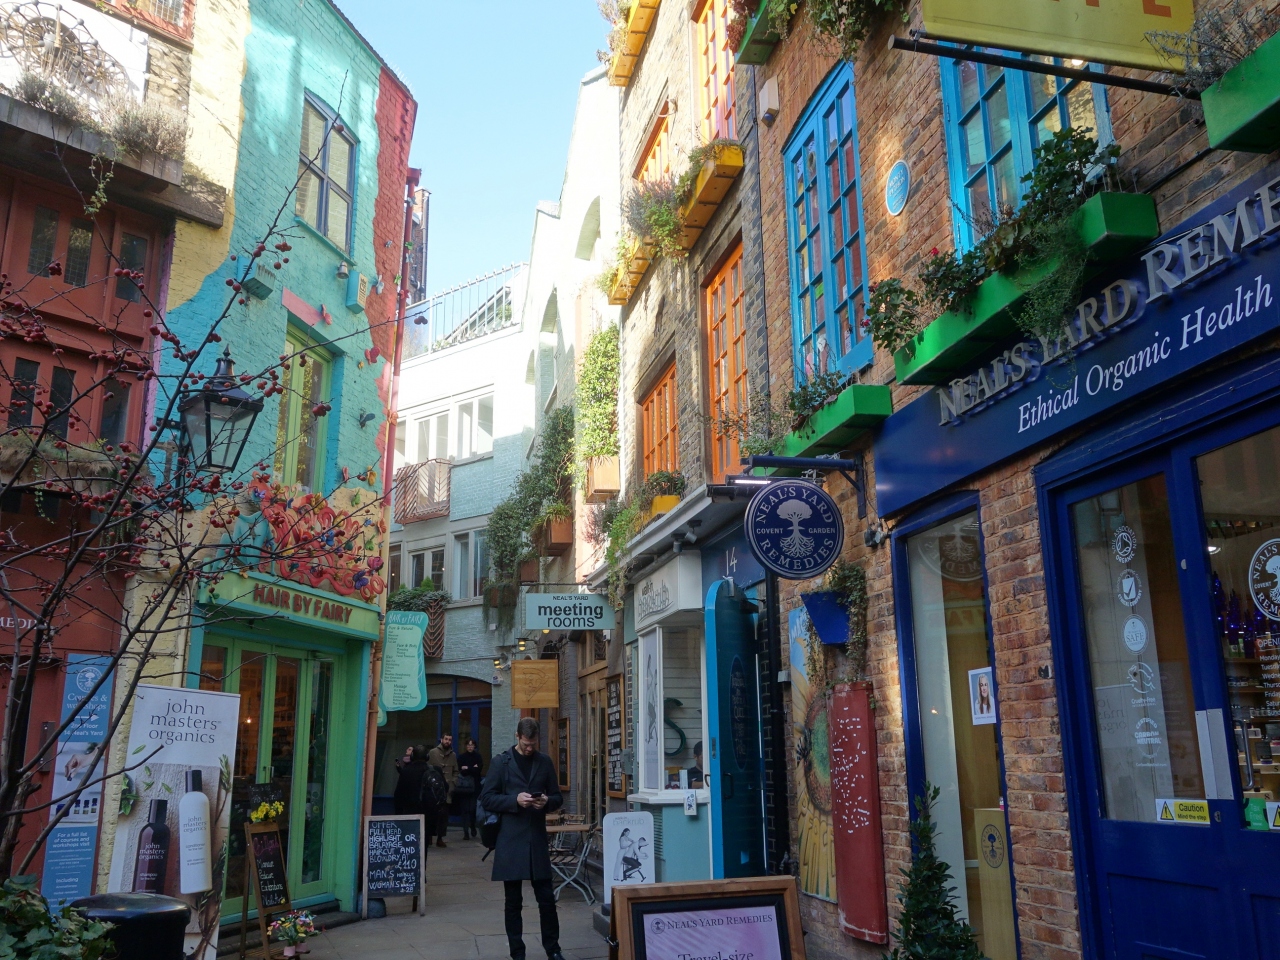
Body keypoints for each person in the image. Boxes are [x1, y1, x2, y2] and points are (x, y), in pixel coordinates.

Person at [480, 718, 565, 960]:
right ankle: (517, 953)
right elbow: (487, 798)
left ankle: (553, 950)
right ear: (517, 736)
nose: (529, 748)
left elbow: (557, 797)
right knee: (513, 902)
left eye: (533, 744)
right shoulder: (501, 762)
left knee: (547, 899)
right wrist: (514, 800)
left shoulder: (544, 761)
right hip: (510, 839)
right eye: (526, 744)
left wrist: (546, 801)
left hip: (536, 839)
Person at [392, 744, 437, 847]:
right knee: (424, 843)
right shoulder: (433, 771)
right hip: (429, 813)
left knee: (410, 843)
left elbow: (398, 795)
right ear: (427, 757)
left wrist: (398, 815)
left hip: (410, 812)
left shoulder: (406, 771)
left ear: (412, 756)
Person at [427, 733, 460, 847]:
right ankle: (429, 836)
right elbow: (428, 769)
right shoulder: (433, 752)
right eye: (446, 739)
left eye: (450, 740)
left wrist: (453, 783)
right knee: (432, 814)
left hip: (447, 790)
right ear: (441, 740)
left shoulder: (453, 755)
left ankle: (440, 838)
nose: (447, 741)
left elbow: (456, 771)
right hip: (434, 789)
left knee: (444, 816)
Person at [457, 738, 484, 840]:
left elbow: (478, 770)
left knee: (472, 809)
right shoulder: (461, 757)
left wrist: (467, 768)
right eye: (468, 745)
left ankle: (472, 826)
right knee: (464, 810)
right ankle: (465, 832)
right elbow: (461, 771)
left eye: (472, 745)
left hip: (475, 787)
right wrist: (472, 768)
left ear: (474, 746)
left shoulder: (478, 757)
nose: (470, 747)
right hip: (464, 787)